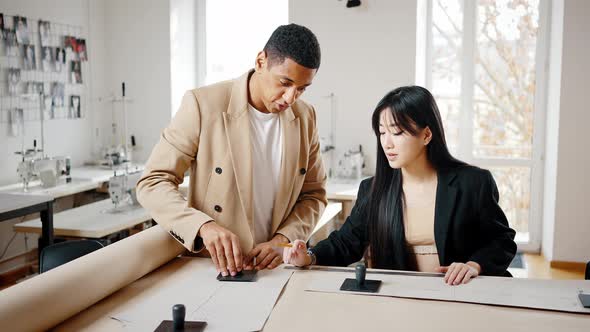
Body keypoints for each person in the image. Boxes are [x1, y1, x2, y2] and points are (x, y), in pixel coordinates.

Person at [136, 24, 327, 278]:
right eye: (285, 82)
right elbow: (152, 182)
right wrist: (203, 226)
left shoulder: (305, 116)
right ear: (261, 61)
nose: (292, 97)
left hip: (277, 270)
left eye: (302, 88)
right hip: (212, 268)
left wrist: (284, 239)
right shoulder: (203, 104)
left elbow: (314, 195)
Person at [284, 86, 517, 285]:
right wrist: (309, 256)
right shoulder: (374, 190)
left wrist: (474, 265)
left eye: (397, 132)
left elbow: (501, 241)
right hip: (402, 296)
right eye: (382, 133)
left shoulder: (473, 183)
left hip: (462, 293)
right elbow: (345, 242)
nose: (387, 143)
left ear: (426, 135)